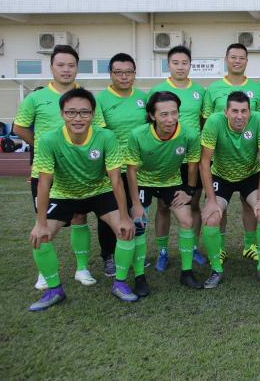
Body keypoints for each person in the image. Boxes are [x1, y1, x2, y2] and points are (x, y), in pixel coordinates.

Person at [27, 88, 134, 311]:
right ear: (62, 114)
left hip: (99, 191)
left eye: (84, 112)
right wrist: (40, 222)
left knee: (125, 230)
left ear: (93, 114)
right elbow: (44, 183)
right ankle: (54, 290)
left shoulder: (106, 137)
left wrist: (125, 217)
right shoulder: (49, 140)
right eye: (71, 112)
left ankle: (120, 284)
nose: (78, 118)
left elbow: (116, 179)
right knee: (40, 237)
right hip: (64, 194)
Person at [13, 45, 106, 289]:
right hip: (46, 171)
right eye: (61, 65)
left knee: (79, 216)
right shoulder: (36, 98)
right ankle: (45, 272)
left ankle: (82, 269)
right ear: (51, 67)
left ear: (77, 68)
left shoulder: (87, 98)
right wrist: (44, 147)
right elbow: (19, 128)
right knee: (43, 221)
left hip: (79, 171)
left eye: (71, 65)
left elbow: (99, 130)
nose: (66, 69)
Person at [126, 92, 204, 294]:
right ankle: (140, 277)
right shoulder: (137, 135)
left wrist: (189, 191)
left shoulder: (189, 134)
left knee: (187, 220)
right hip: (143, 181)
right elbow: (131, 171)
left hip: (171, 181)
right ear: (152, 116)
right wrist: (135, 203)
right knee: (138, 223)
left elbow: (193, 164)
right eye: (164, 114)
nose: (170, 119)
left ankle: (187, 273)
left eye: (174, 113)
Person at [199, 92, 260, 287]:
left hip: (250, 175)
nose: (239, 116)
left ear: (250, 111)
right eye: (234, 111)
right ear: (225, 112)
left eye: (244, 111)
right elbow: (205, 162)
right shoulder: (214, 122)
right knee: (211, 217)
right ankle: (216, 269)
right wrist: (210, 200)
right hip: (221, 176)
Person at [203, 43, 260, 265]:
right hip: (221, 165)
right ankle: (219, 249)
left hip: (249, 163)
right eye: (233, 57)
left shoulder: (257, 88)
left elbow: (259, 122)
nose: (237, 61)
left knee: (251, 204)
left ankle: (250, 245)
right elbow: (207, 122)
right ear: (226, 60)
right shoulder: (213, 89)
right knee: (219, 208)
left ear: (247, 61)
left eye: (241, 57)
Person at [149, 45, 207, 272]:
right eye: (176, 63)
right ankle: (162, 251)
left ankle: (193, 247)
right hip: (166, 159)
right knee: (164, 206)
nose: (180, 67)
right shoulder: (158, 90)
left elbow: (202, 122)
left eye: (184, 63)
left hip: (192, 158)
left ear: (190, 65)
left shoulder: (200, 91)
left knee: (193, 204)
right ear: (168, 65)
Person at [96, 53, 149, 286]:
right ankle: (108, 255)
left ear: (135, 73)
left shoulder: (143, 98)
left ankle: (135, 252)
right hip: (112, 166)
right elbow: (99, 134)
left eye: (128, 72)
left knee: (136, 210)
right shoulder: (101, 100)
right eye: (118, 72)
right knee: (110, 212)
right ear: (111, 74)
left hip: (137, 166)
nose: (124, 77)